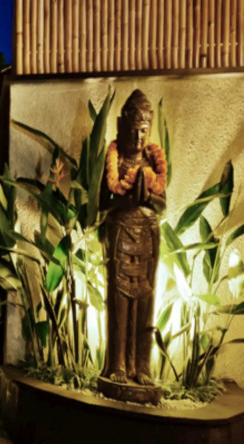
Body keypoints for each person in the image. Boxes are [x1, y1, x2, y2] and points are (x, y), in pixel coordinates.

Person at [99, 89, 167, 385]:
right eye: (133, 130)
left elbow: (163, 204)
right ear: (121, 126)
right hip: (120, 235)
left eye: (143, 131)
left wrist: (148, 196)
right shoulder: (114, 162)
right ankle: (118, 364)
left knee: (145, 302)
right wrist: (126, 200)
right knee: (119, 301)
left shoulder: (153, 162)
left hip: (148, 238)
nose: (138, 137)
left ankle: (142, 366)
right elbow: (102, 204)